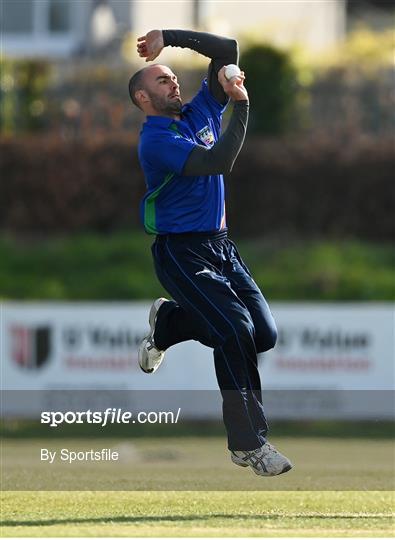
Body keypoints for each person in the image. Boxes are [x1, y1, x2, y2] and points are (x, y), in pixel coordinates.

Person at [129, 29, 292, 476]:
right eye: (161, 81)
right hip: (181, 252)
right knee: (234, 328)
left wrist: (168, 38)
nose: (173, 83)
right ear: (143, 98)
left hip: (222, 247)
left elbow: (227, 51)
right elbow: (217, 161)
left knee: (262, 334)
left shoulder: (199, 108)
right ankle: (248, 443)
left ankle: (170, 324)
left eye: (172, 78)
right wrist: (240, 105)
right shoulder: (156, 140)